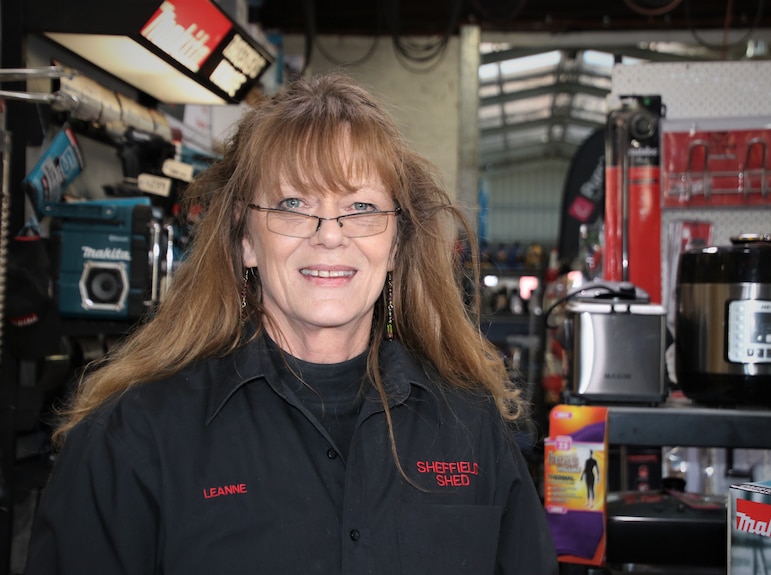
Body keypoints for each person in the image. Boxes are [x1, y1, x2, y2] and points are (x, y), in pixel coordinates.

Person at [24, 74, 559, 574]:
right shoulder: (132, 437)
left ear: (396, 243)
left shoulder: (473, 427)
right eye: (293, 203)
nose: (330, 235)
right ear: (245, 238)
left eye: (362, 206)